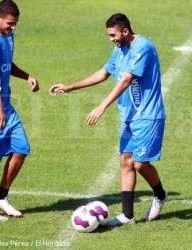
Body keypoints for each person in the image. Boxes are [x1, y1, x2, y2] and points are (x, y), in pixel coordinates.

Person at [50, 13, 167, 226]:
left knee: (140, 164)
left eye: (113, 35)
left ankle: (160, 195)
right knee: (125, 162)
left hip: (148, 115)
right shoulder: (119, 49)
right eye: (109, 35)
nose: (111, 39)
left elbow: (125, 80)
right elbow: (104, 73)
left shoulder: (143, 47)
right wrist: (71, 86)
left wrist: (102, 106)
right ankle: (127, 216)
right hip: (129, 117)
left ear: (125, 30)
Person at [0, 0, 39, 221]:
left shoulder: (8, 35)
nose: (13, 27)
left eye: (15, 24)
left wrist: (27, 76)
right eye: (9, 23)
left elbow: (7, 64)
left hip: (4, 104)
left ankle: (0, 197)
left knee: (21, 148)